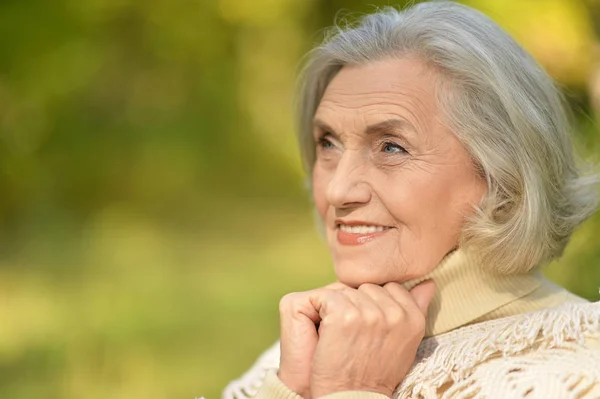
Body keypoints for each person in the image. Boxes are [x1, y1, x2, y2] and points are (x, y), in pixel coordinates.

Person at [222, 1, 600, 398]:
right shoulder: (294, 352)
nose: (337, 191)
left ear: (502, 174)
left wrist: (351, 391)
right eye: (327, 143)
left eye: (391, 147)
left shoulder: (575, 370)